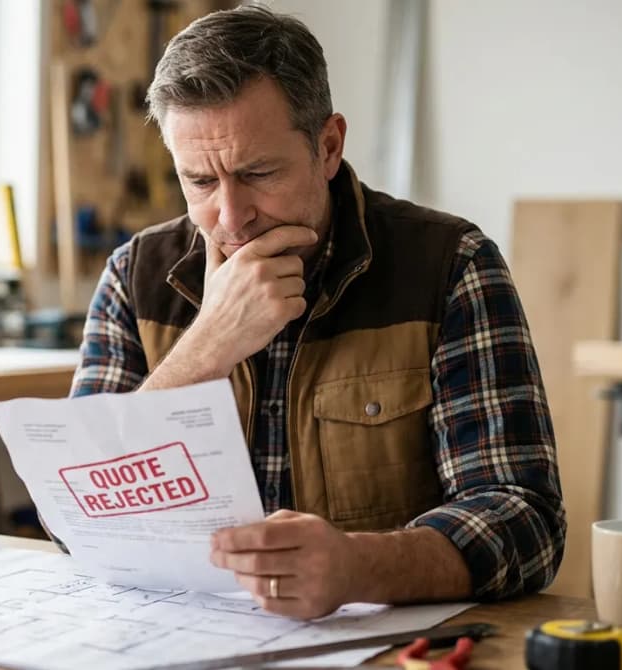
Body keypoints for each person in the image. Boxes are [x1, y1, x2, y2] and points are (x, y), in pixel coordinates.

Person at [69, 5, 566, 620]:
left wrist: (359, 566)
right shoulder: (133, 275)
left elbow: (525, 518)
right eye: (198, 181)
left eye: (258, 173)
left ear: (328, 147)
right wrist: (207, 347)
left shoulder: (450, 267)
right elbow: (75, 516)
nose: (230, 216)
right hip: (179, 637)